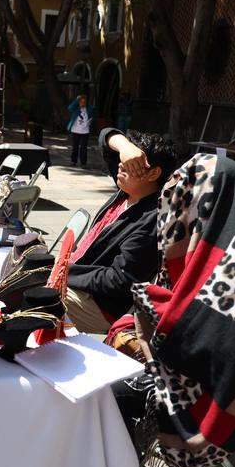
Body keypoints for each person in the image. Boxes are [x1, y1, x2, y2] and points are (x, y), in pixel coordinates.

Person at [108, 154, 235, 467]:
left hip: (228, 399)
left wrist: (155, 328)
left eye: (182, 198)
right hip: (201, 372)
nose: (170, 211)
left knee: (110, 399)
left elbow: (230, 351)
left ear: (204, 200)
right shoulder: (216, 239)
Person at [65, 128, 176, 334]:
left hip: (101, 307)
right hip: (79, 280)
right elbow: (105, 135)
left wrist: (67, 272)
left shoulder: (150, 219)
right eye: (123, 159)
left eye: (131, 164)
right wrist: (125, 147)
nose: (120, 165)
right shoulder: (126, 190)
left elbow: (120, 280)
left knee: (30, 293)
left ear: (153, 173)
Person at [66, 94, 96, 168]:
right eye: (81, 102)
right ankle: (73, 161)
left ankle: (83, 163)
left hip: (85, 131)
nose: (82, 103)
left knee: (83, 148)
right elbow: (69, 108)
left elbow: (94, 114)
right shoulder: (75, 108)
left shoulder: (89, 108)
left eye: (84, 102)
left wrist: (91, 120)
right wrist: (76, 100)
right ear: (78, 102)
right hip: (75, 130)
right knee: (75, 147)